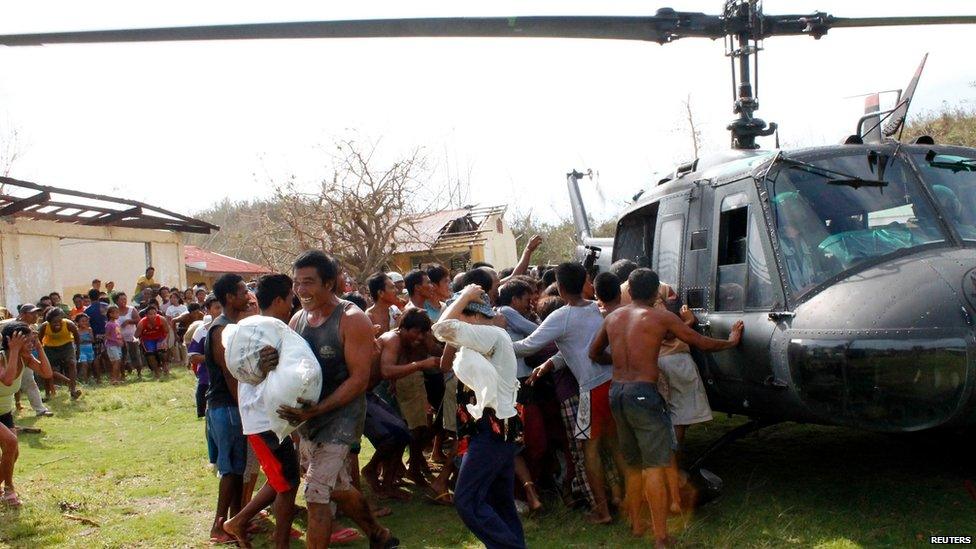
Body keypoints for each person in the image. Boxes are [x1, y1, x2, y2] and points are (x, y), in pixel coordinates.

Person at [588, 268, 743, 546]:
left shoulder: (612, 317)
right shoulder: (661, 317)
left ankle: (636, 524)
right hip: (643, 395)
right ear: (654, 293)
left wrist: (622, 362)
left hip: (617, 393)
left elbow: (594, 353)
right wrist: (731, 341)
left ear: (631, 292)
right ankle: (661, 536)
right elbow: (701, 343)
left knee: (634, 464)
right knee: (656, 466)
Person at [267, 250, 398, 549]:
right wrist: (270, 358)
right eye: (297, 283)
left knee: (315, 491)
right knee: (337, 487)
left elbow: (359, 379)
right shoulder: (298, 319)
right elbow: (289, 364)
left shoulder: (352, 320)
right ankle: (378, 534)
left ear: (330, 283)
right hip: (309, 419)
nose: (301, 290)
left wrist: (318, 410)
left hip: (342, 418)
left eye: (309, 282)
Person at [513, 262, 619, 524]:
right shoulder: (598, 309)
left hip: (593, 389)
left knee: (588, 452)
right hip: (615, 383)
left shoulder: (562, 316)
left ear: (559, 288)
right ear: (585, 281)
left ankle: (603, 512)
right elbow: (580, 346)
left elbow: (527, 346)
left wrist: (490, 341)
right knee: (615, 445)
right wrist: (551, 362)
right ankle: (621, 499)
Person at [431, 283, 526, 549]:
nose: (455, 318)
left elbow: (440, 328)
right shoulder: (488, 338)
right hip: (495, 429)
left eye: (460, 313)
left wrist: (464, 297)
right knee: (499, 501)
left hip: (492, 431)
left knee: (467, 500)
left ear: (472, 315)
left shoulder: (489, 335)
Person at [222, 274, 301, 549]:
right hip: (262, 419)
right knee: (286, 483)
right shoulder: (262, 331)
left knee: (286, 482)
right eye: (291, 297)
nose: (294, 303)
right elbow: (244, 371)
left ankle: (252, 528)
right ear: (279, 299)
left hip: (270, 419)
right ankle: (239, 522)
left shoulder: (266, 327)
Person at [203, 275, 250, 544]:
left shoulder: (231, 325)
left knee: (237, 469)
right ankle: (218, 526)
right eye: (243, 291)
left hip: (231, 407)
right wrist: (245, 410)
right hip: (228, 408)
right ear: (230, 298)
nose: (248, 295)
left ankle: (235, 522)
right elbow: (231, 375)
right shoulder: (221, 330)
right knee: (231, 471)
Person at [377, 308, 437, 489]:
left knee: (412, 431)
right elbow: (386, 371)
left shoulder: (407, 341)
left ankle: (398, 474)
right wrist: (420, 365)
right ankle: (383, 476)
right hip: (378, 390)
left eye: (422, 333)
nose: (419, 338)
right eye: (416, 332)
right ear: (403, 328)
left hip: (392, 388)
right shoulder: (393, 339)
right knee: (397, 434)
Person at [0, 323, 53, 507]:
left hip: (4, 413)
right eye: (28, 340)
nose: (31, 343)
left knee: (13, 453)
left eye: (32, 339)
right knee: (11, 442)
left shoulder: (26, 358)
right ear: (12, 342)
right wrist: (13, 350)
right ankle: (9, 490)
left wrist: (39, 347)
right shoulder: (1, 359)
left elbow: (47, 373)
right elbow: (7, 380)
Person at [38, 308, 82, 399]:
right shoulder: (44, 327)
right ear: (49, 322)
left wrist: (78, 350)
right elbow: (39, 340)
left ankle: (73, 390)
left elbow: (77, 336)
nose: (57, 324)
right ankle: (47, 394)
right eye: (54, 322)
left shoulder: (69, 324)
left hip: (67, 346)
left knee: (72, 363)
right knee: (48, 370)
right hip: (50, 348)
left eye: (59, 321)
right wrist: (40, 353)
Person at [136, 304, 169, 379]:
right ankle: (156, 371)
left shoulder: (162, 319)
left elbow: (167, 332)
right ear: (146, 315)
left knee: (162, 353)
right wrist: (136, 341)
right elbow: (136, 335)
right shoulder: (142, 323)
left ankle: (165, 366)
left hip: (160, 337)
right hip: (148, 339)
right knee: (150, 354)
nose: (153, 316)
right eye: (150, 314)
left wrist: (165, 340)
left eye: (154, 313)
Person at [114, 293, 143, 378]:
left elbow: (139, 320)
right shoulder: (114, 311)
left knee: (135, 355)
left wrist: (129, 321)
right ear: (116, 301)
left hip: (132, 337)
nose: (124, 301)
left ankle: (139, 373)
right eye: (121, 299)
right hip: (120, 339)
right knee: (122, 357)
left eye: (125, 299)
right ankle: (123, 375)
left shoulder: (131, 309)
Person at [104, 305, 125, 384]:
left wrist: (122, 340)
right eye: (115, 313)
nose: (117, 314)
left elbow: (118, 333)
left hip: (117, 345)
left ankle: (116, 378)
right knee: (117, 361)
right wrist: (116, 340)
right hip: (112, 345)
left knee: (116, 362)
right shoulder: (109, 324)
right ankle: (113, 378)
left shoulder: (116, 323)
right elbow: (107, 336)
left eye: (118, 312)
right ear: (110, 314)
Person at [74, 314, 96, 384]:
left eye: (86, 321)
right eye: (82, 321)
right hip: (81, 350)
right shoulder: (76, 331)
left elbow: (92, 340)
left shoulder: (89, 329)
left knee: (89, 364)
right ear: (78, 322)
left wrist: (88, 337)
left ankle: (88, 377)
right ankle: (85, 380)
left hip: (89, 349)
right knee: (84, 363)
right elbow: (76, 341)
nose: (85, 323)